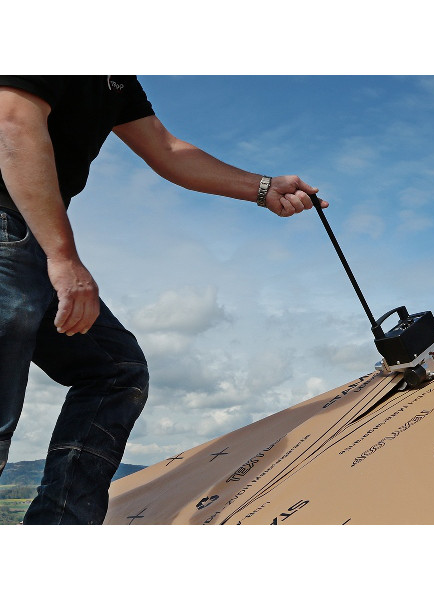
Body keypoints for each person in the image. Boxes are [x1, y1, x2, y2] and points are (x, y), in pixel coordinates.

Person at [0, 75, 327, 524]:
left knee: (117, 371)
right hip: (8, 229)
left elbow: (167, 150)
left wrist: (263, 187)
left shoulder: (118, 81)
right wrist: (63, 257)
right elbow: (13, 121)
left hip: (30, 237)